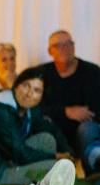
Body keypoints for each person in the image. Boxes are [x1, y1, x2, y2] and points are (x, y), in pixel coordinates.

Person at [0, 67, 72, 185]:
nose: (29, 94)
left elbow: (49, 128)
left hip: (4, 160)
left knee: (46, 139)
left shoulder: (29, 110)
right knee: (53, 167)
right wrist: (55, 156)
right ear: (16, 86)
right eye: (26, 85)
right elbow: (20, 153)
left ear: (41, 97)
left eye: (37, 90)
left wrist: (68, 151)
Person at [37, 30, 100, 176]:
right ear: (50, 51)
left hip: (84, 131)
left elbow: (95, 110)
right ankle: (51, 184)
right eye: (59, 45)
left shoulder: (92, 72)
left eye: (69, 43)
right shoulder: (41, 74)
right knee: (44, 129)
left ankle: (94, 179)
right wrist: (66, 111)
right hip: (55, 131)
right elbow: (36, 109)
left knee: (87, 129)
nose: (65, 48)